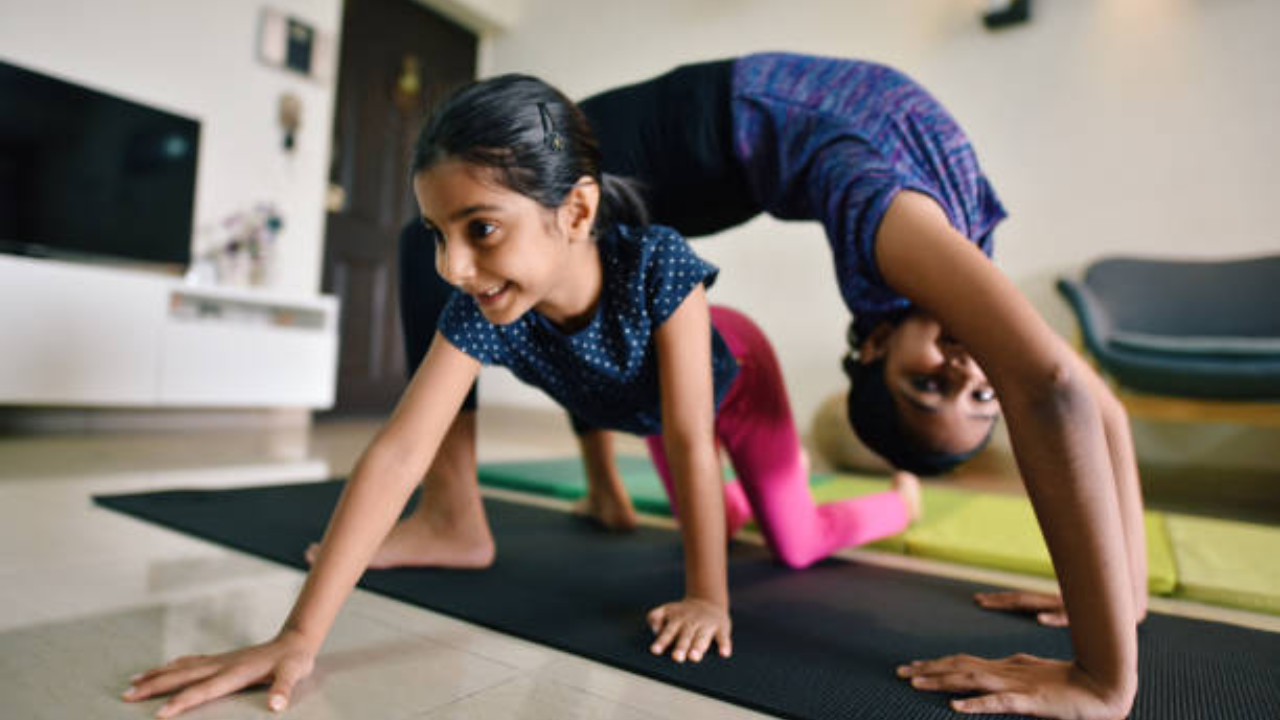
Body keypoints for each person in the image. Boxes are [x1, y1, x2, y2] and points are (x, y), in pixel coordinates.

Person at [121, 73, 924, 719]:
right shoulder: (490, 306)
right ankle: (718, 513)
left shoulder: (660, 267)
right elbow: (404, 450)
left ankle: (899, 503)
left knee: (790, 540)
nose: (451, 267)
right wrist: (297, 636)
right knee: (719, 513)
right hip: (640, 412)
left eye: (480, 229)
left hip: (735, 391)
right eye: (438, 234)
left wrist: (706, 597)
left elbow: (687, 434)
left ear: (574, 210)